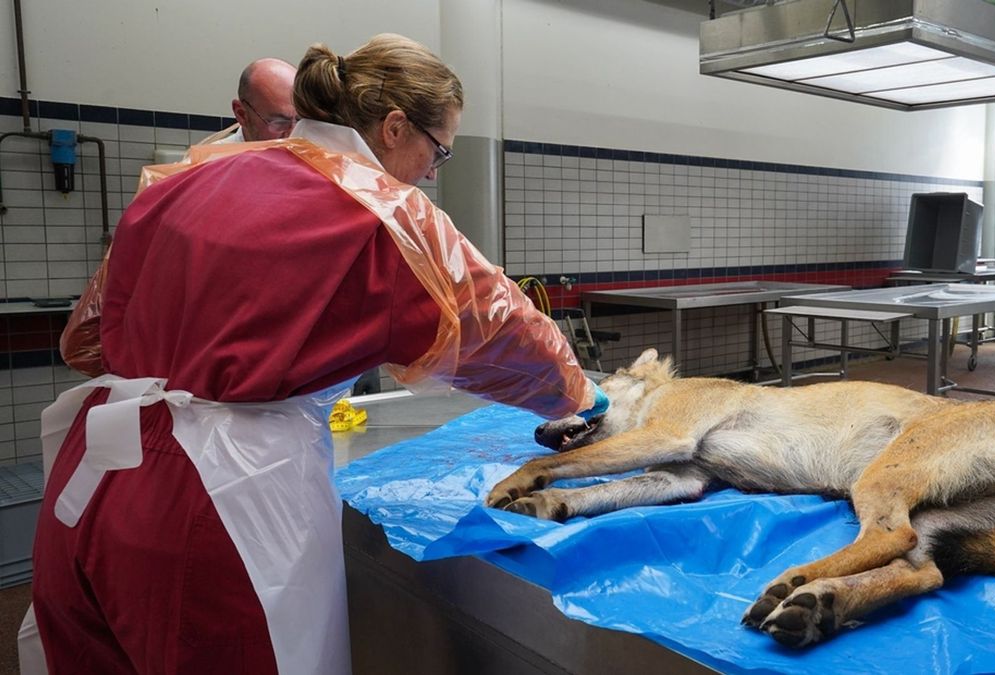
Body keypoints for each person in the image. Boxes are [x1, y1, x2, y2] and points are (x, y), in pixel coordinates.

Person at [25, 34, 605, 675]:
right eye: (437, 150)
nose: (434, 172)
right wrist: (580, 394)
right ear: (392, 128)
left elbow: (83, 339)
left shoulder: (188, 175)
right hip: (213, 503)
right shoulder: (380, 213)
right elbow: (501, 330)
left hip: (87, 481)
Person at [201, 57, 298, 143]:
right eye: (279, 122)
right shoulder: (214, 161)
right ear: (242, 114)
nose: (294, 134)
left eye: (299, 120)